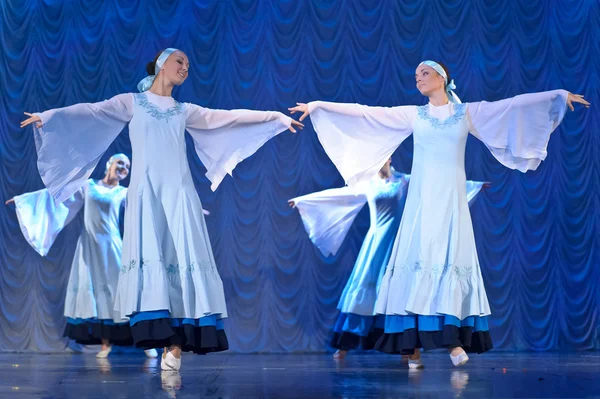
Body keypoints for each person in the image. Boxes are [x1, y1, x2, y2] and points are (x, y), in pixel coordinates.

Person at [289, 60, 589, 366]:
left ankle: (451, 341)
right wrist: (319, 106)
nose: (418, 78)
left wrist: (557, 96)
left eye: (425, 73)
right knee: (418, 261)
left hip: (451, 201)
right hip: (422, 201)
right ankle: (412, 345)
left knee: (448, 260)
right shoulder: (415, 115)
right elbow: (367, 112)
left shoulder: (465, 113)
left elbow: (509, 107)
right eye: (416, 74)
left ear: (442, 79)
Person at [20, 48, 303, 371]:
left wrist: (275, 118)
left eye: (188, 64)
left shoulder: (184, 110)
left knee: (182, 258)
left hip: (180, 193)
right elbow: (92, 111)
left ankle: (177, 345)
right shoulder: (133, 102)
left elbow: (228, 116)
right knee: (157, 256)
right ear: (160, 64)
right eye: (180, 61)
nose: (186, 67)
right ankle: (164, 337)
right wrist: (51, 116)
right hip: (147, 194)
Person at [290, 158, 488, 368]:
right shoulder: (366, 183)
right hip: (376, 245)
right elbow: (340, 196)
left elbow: (435, 184)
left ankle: (408, 348)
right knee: (367, 293)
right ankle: (344, 346)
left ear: (390, 157)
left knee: (402, 295)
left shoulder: (404, 181)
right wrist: (304, 201)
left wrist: (472, 185)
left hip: (402, 244)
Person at [7, 154, 157, 358]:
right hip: (89, 248)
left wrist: (177, 208)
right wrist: (25, 201)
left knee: (124, 294)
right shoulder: (89, 186)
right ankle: (106, 345)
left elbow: (146, 207)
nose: (123, 168)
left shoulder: (124, 193)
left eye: (127, 167)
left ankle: (145, 342)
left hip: (112, 247)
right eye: (120, 163)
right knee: (97, 296)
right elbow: (58, 196)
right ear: (109, 165)